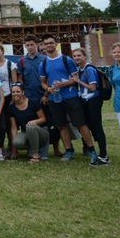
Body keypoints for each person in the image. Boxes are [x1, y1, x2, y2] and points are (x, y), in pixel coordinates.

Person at [39, 34, 97, 163]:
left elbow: (75, 79)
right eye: (46, 43)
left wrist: (62, 85)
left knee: (81, 123)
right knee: (61, 125)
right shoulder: (43, 63)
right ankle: (69, 151)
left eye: (51, 43)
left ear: (56, 44)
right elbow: (43, 82)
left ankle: (91, 149)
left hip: (71, 96)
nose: (49, 45)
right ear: (43, 45)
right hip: (55, 99)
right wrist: (48, 89)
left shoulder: (67, 60)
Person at [72, 48, 108, 166]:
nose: (77, 58)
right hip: (86, 100)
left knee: (97, 126)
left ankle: (104, 155)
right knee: (90, 125)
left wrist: (78, 81)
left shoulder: (89, 70)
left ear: (84, 56)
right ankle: (97, 151)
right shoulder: (80, 70)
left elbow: (93, 88)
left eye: (79, 56)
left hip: (94, 100)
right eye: (75, 56)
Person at [8, 83, 48, 163]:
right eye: (13, 92)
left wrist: (34, 121)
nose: (15, 94)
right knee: (17, 142)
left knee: (30, 126)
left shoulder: (33, 103)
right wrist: (14, 149)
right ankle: (32, 148)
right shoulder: (11, 107)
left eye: (18, 91)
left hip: (41, 131)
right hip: (26, 132)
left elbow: (43, 119)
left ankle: (36, 155)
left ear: (23, 92)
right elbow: (14, 128)